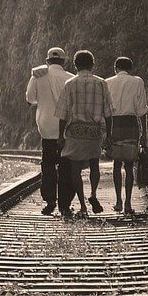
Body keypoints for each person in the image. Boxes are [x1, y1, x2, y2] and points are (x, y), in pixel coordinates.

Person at [56, 50, 111, 219]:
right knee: (95, 164)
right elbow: (108, 112)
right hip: (94, 132)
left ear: (75, 65)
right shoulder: (101, 83)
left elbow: (63, 113)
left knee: (75, 169)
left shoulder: (70, 84)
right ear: (92, 65)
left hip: (75, 132)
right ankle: (93, 193)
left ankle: (82, 205)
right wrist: (108, 134)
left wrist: (60, 135)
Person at [26, 47, 75, 215]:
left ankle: (50, 200)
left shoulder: (37, 76)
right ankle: (65, 204)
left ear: (47, 61)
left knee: (48, 164)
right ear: (64, 61)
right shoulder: (71, 78)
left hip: (46, 127)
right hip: (67, 129)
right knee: (66, 166)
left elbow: (30, 98)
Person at [105, 56, 148, 216]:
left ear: (115, 68)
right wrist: (144, 133)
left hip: (114, 125)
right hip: (131, 124)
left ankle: (118, 201)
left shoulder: (107, 82)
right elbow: (141, 110)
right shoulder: (137, 81)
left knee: (117, 164)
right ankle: (128, 203)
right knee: (129, 165)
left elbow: (106, 110)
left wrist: (105, 132)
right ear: (130, 69)